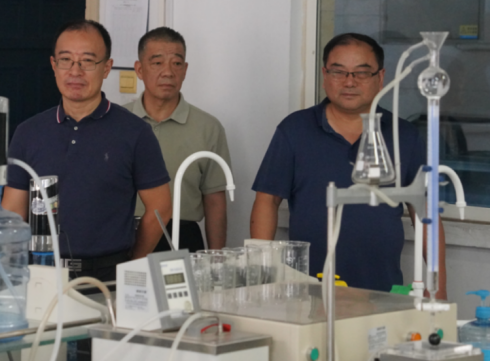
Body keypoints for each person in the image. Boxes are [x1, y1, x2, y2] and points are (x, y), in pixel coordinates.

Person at [249, 33, 447, 297]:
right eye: (338, 72)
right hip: (307, 290)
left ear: (380, 77)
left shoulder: (404, 135)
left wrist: (438, 288)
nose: (349, 82)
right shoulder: (294, 130)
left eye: (362, 73)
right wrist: (261, 277)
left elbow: (425, 213)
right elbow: (267, 201)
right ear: (324, 75)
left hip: (382, 290)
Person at [1, 20, 172, 282]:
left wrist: (133, 264)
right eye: (66, 60)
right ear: (53, 65)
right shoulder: (28, 133)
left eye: (87, 61)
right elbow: (12, 213)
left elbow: (160, 208)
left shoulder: (135, 132)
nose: (75, 71)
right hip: (42, 272)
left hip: (109, 274)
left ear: (107, 68)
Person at [124, 27, 231, 252]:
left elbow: (214, 201)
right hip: (123, 235)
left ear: (185, 70)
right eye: (157, 63)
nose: (168, 72)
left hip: (183, 237)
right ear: (139, 69)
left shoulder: (208, 127)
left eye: (176, 63)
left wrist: (216, 259)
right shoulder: (118, 122)